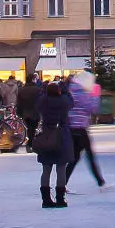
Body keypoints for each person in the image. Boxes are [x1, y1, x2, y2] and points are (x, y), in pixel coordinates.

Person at [31, 76, 74, 208]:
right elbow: (71, 102)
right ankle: (60, 198)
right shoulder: (64, 102)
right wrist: (65, 89)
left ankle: (46, 199)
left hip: (47, 135)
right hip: (62, 135)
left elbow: (38, 102)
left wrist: (44, 90)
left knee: (46, 169)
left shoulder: (43, 102)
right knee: (61, 168)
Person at [60, 71, 105, 189]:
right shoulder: (82, 93)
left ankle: (62, 183)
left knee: (75, 158)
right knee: (89, 155)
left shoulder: (71, 91)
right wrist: (95, 95)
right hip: (80, 128)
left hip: (72, 127)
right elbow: (92, 108)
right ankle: (100, 182)